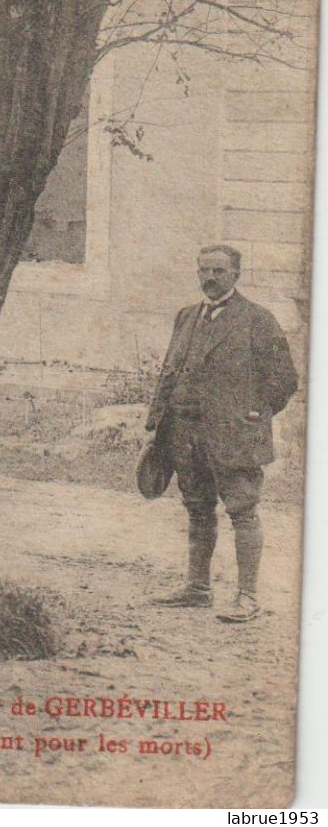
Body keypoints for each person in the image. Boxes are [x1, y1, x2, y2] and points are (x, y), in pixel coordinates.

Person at [145, 245, 297, 623]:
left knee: (242, 512)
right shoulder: (185, 317)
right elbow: (170, 372)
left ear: (236, 275)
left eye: (218, 271)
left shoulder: (257, 320)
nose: (210, 278)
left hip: (234, 436)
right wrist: (154, 424)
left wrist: (255, 413)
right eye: (204, 270)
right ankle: (198, 588)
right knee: (197, 509)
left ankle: (247, 597)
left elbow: (285, 380)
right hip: (186, 433)